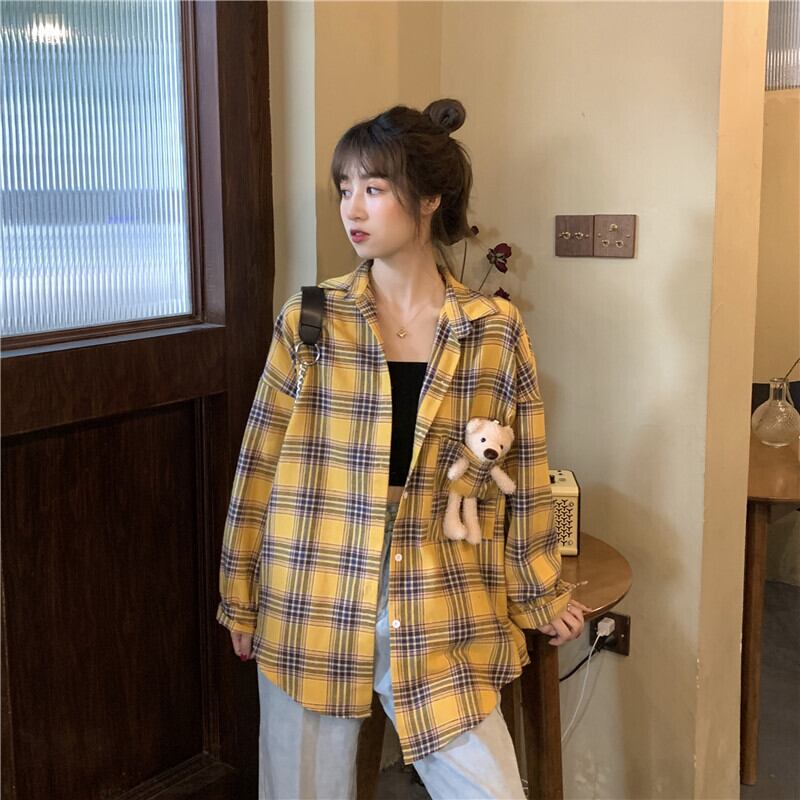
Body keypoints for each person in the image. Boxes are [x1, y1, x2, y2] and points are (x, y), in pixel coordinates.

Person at [217, 98, 589, 800]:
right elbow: (258, 463)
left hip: (441, 585)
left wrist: (538, 591)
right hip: (315, 582)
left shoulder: (492, 328)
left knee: (490, 789)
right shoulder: (311, 318)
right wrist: (240, 593)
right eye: (344, 189)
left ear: (428, 198)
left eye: (374, 187)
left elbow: (524, 468)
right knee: (301, 789)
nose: (352, 208)